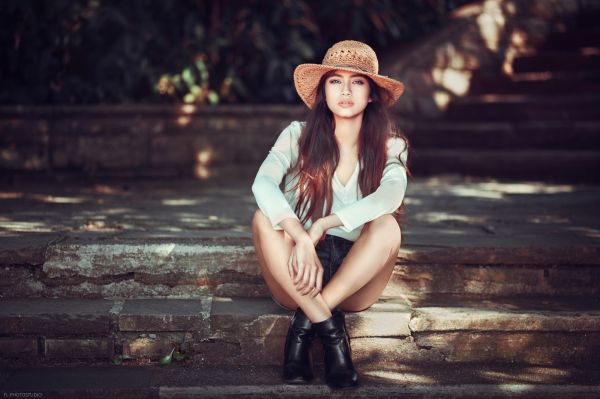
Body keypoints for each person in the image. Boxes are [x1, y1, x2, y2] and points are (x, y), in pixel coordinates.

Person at [251, 40, 409, 389]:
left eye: (358, 81)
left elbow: (392, 194)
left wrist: (324, 223)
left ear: (372, 94)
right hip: (297, 275)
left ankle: (301, 329)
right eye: (336, 81)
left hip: (355, 280)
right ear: (324, 91)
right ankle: (333, 337)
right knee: (262, 218)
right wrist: (300, 236)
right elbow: (262, 184)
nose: (346, 90)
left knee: (388, 227)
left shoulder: (391, 144)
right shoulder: (297, 136)